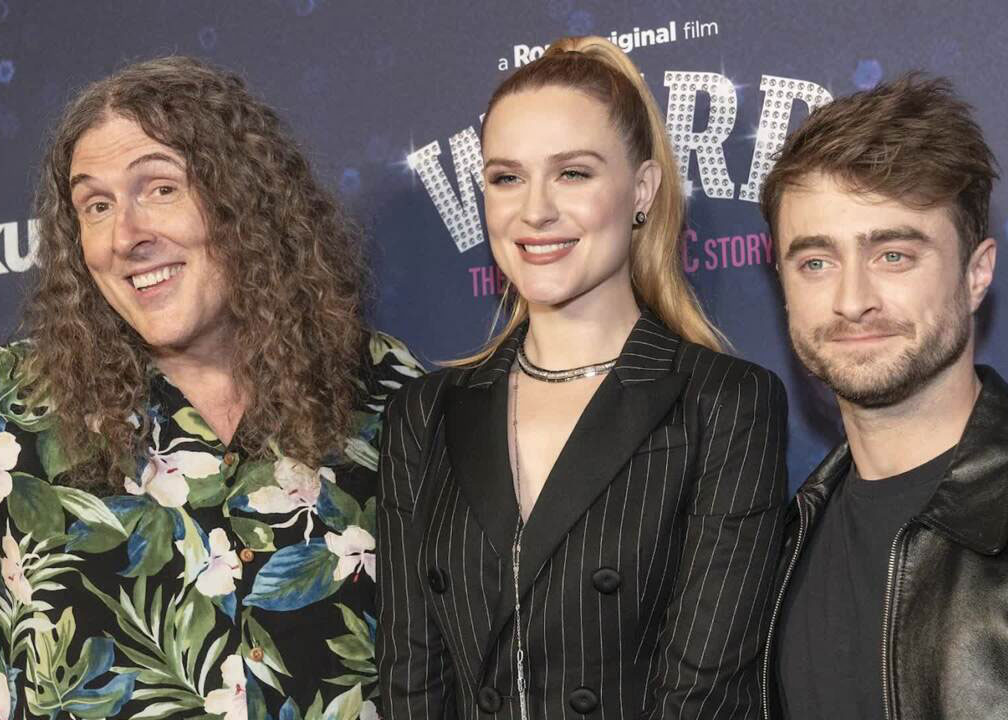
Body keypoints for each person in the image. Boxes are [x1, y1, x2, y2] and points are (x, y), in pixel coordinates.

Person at [377, 36, 788, 720]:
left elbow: (702, 696)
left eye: (573, 173)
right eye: (506, 178)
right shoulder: (423, 414)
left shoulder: (724, 404)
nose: (534, 211)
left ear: (642, 191)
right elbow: (410, 684)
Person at [0, 57, 420, 720]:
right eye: (96, 206)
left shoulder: (386, 395)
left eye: (159, 189)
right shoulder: (14, 417)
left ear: (243, 197)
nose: (126, 236)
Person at [760, 73, 1003, 719]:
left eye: (893, 255)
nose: (852, 299)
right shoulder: (777, 548)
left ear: (977, 274)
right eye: (816, 262)